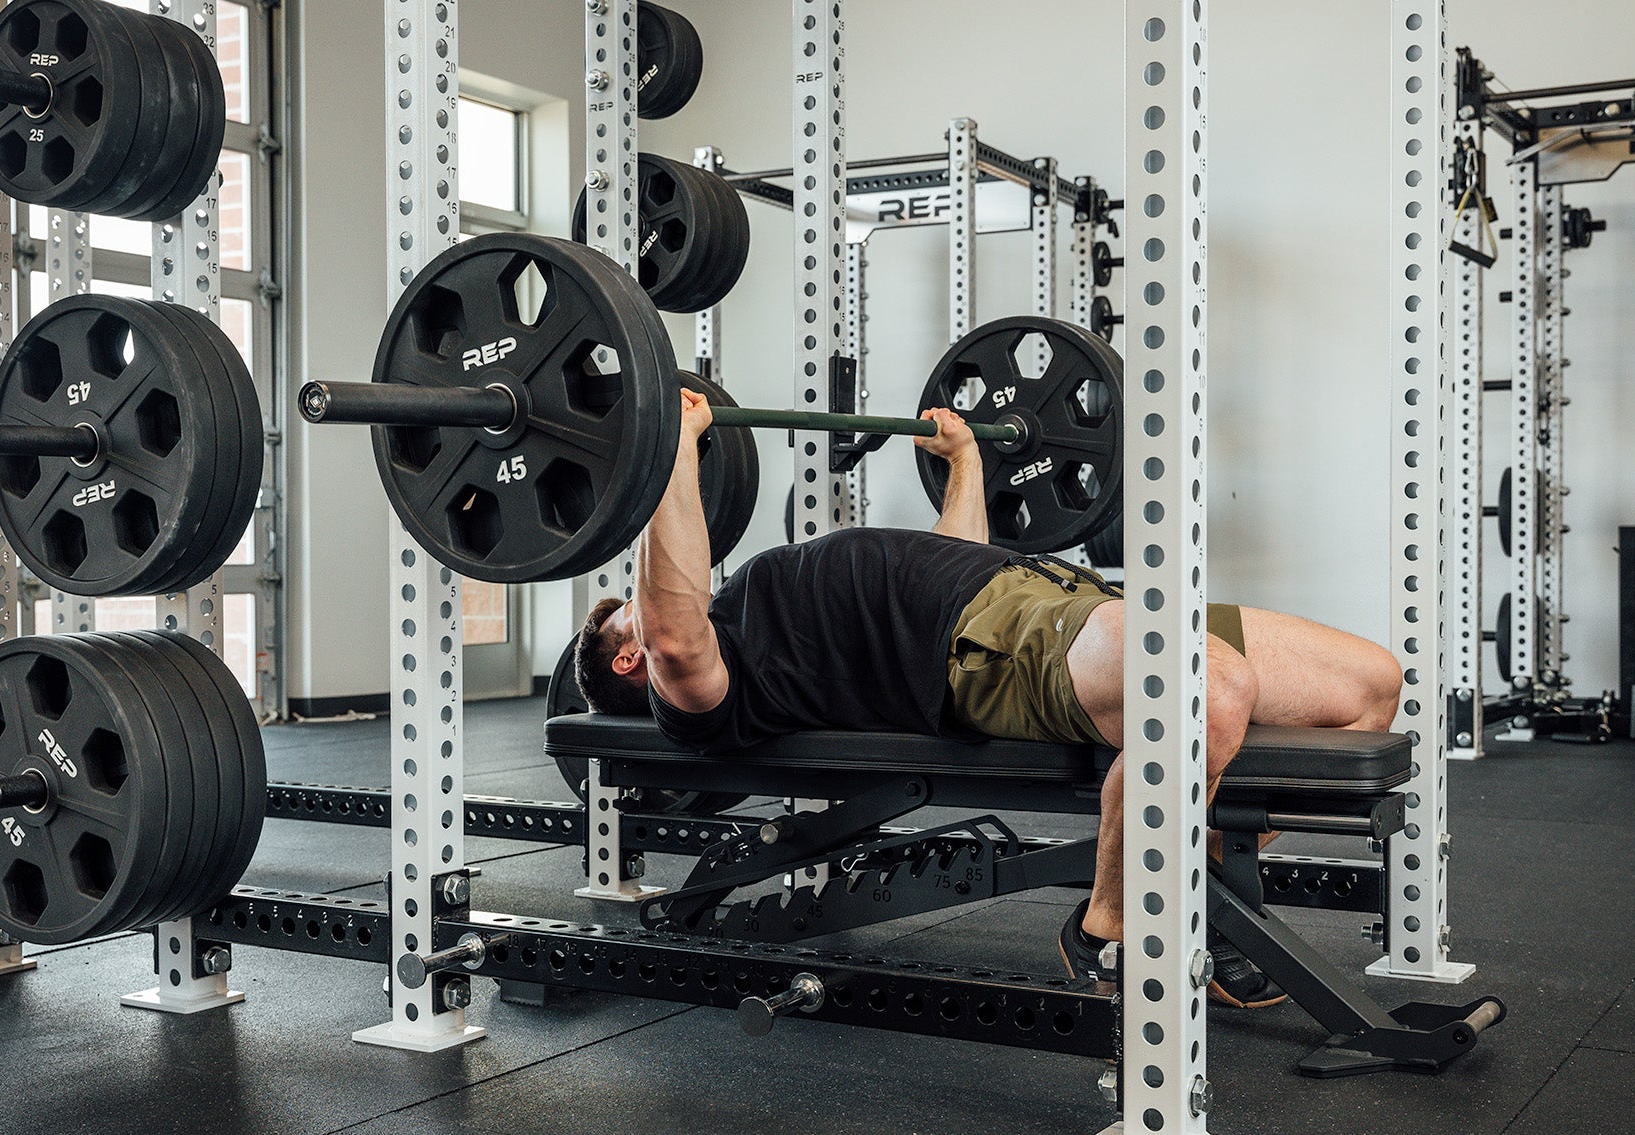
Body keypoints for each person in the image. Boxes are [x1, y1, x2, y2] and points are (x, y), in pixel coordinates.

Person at [576, 388, 1403, 1007]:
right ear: (629, 664)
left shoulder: (759, 605)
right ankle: (1108, 927)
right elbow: (677, 630)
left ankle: (1208, 878)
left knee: (1369, 688)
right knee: (1206, 690)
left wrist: (966, 465)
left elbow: (952, 567)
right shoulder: (694, 689)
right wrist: (669, 450)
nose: (647, 599)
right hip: (1001, 647)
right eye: (630, 610)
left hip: (1042, 592)